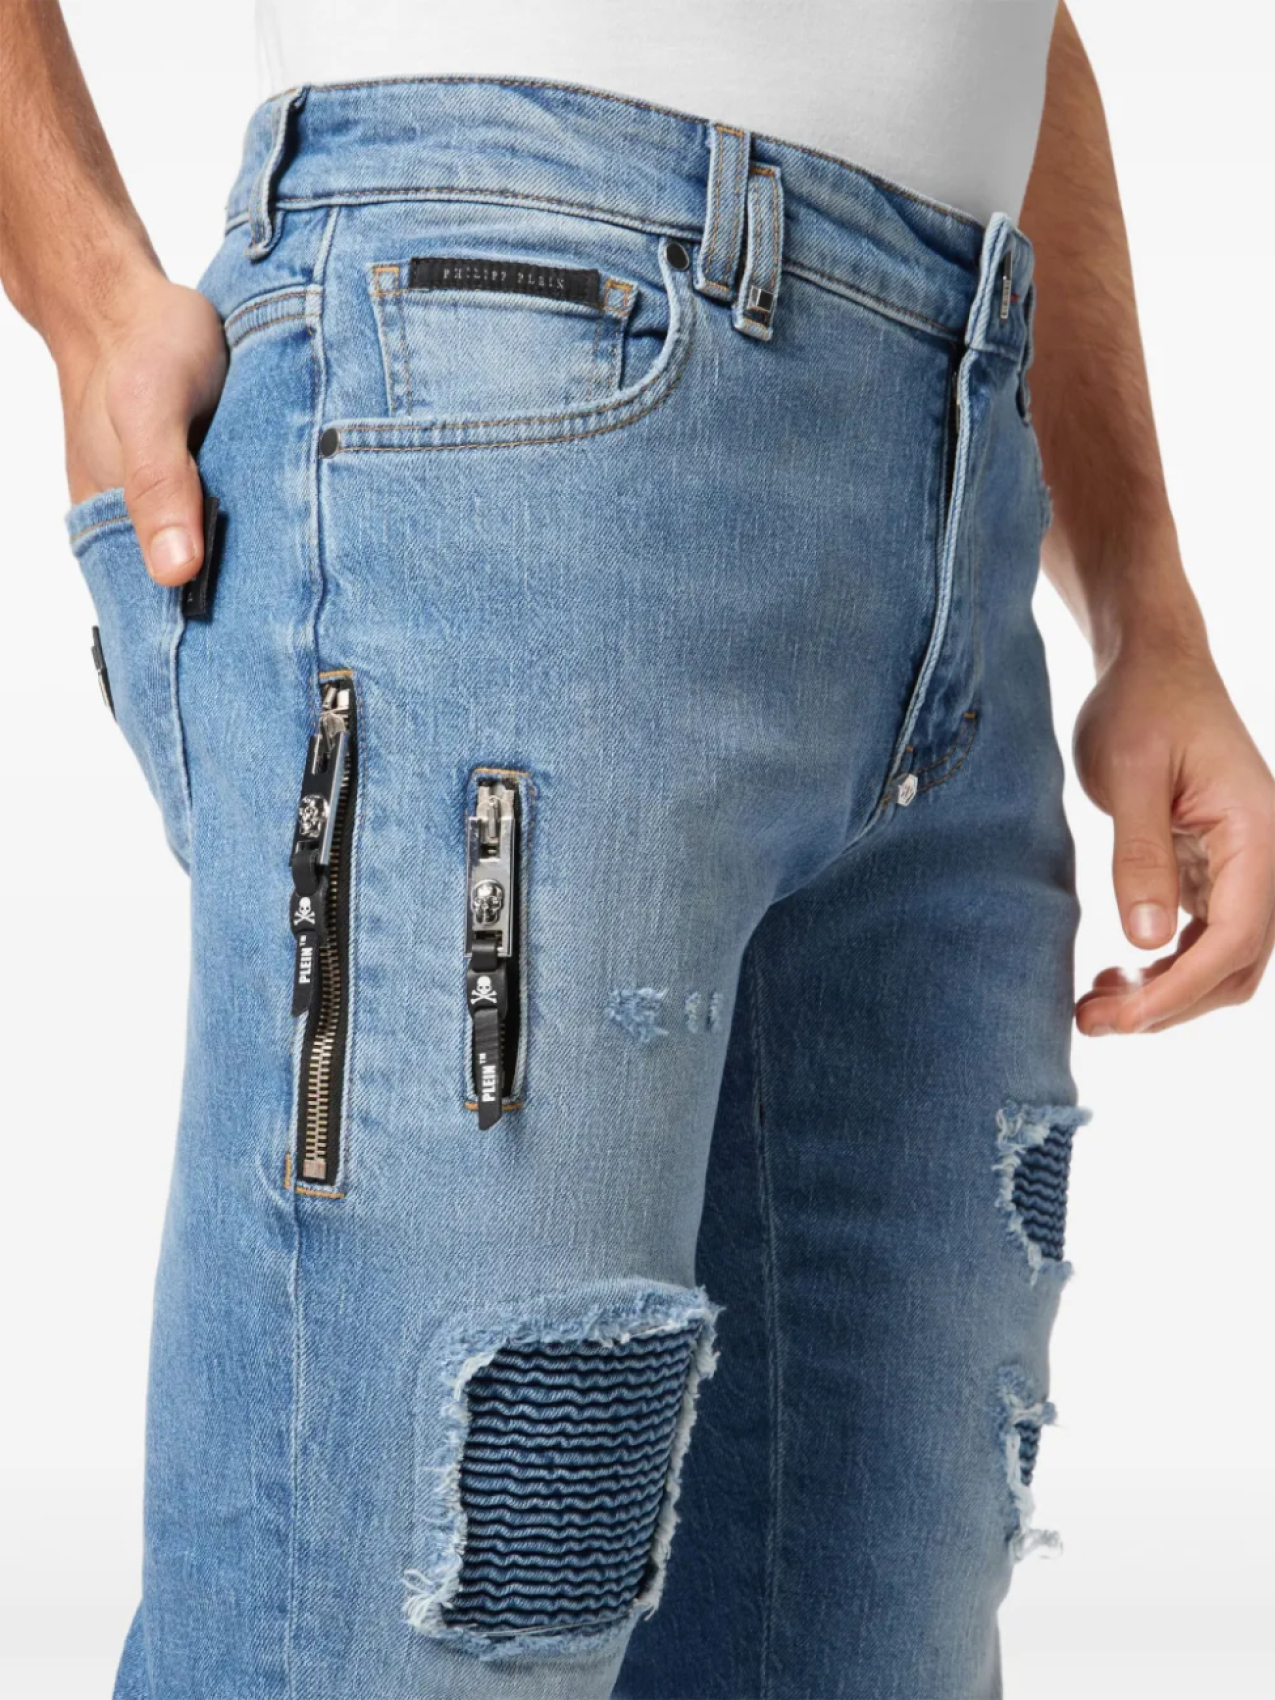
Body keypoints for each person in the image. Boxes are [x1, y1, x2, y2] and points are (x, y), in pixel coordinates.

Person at [2, 3, 1271, 1697]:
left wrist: (1144, 601)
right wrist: (85, 292)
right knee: (414, 1642)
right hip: (519, 370)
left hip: (958, 497)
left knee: (874, 1644)